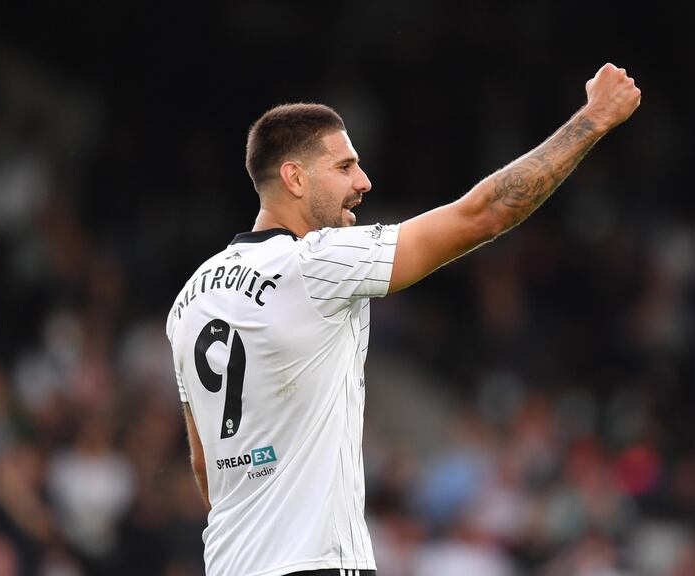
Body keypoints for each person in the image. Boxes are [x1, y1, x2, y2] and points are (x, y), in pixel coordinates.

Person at [166, 63, 640, 576]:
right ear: (294, 178)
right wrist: (593, 120)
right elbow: (483, 214)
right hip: (318, 563)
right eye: (344, 167)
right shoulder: (317, 262)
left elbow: (206, 463)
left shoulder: (190, 299)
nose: (364, 181)